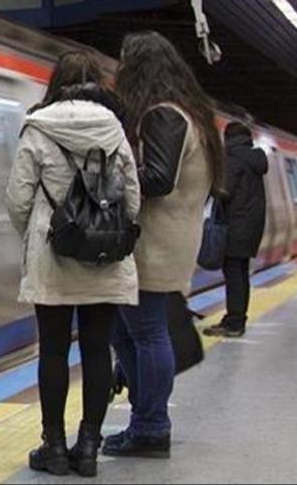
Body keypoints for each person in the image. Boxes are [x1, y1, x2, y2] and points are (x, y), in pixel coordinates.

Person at [6, 50, 141, 478]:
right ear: (98, 84)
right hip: (103, 258)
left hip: (52, 256)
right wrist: (106, 228)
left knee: (54, 351)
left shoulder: (38, 128)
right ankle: (88, 447)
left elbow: (18, 200)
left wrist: (39, 232)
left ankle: (55, 448)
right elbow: (134, 201)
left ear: (56, 83)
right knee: (98, 349)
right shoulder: (115, 130)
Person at [105, 31, 223, 459]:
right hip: (171, 238)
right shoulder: (192, 114)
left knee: (146, 333)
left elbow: (157, 178)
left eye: (125, 63)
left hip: (156, 243)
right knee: (128, 331)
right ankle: (145, 420)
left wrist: (113, 177)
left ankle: (152, 426)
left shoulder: (163, 115)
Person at [204, 122, 268, 338]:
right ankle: (238, 318)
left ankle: (234, 323)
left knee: (233, 276)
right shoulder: (254, 159)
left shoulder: (233, 159)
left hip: (235, 227)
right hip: (250, 228)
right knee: (240, 274)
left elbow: (224, 191)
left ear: (227, 138)